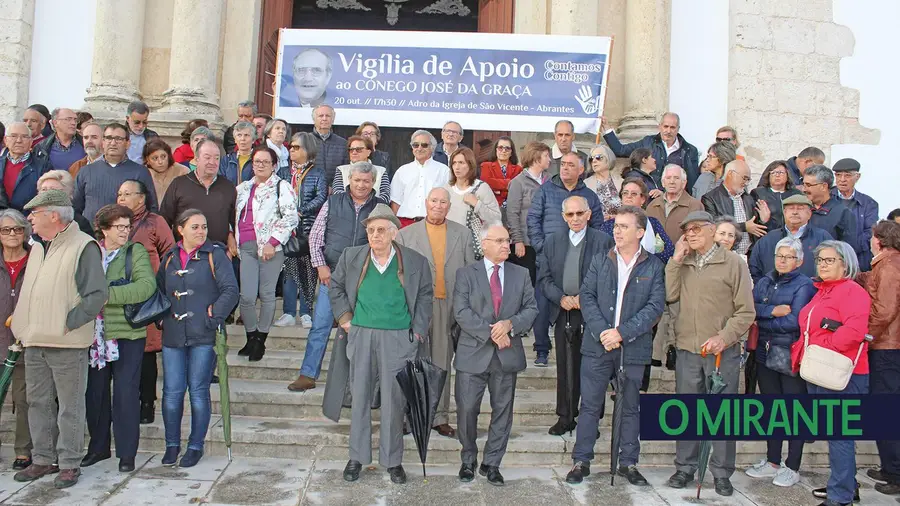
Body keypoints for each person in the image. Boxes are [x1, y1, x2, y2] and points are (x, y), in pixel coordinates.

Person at [331, 204, 433, 485]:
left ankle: (393, 461)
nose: (374, 235)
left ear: (393, 232)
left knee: (394, 400)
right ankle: (357, 457)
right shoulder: (352, 256)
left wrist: (418, 332)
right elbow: (336, 287)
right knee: (360, 394)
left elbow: (425, 296)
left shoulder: (414, 261)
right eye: (370, 229)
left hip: (398, 336)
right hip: (362, 333)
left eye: (380, 230)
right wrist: (345, 318)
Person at [12, 190, 107, 489]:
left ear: (54, 215)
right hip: (34, 341)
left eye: (35, 213)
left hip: (67, 343)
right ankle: (42, 459)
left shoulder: (84, 246)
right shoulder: (38, 247)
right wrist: (24, 327)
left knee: (70, 407)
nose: (30, 218)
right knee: (37, 402)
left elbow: (96, 295)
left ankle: (68, 464)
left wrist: (69, 323)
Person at [567, 205, 665, 485]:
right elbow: (587, 297)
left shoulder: (654, 266)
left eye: (624, 226)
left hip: (632, 348)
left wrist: (621, 333)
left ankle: (628, 462)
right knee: (589, 406)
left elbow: (654, 307)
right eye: (616, 225)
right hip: (597, 347)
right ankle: (581, 460)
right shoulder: (600, 260)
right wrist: (603, 333)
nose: (617, 230)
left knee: (631, 407)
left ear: (640, 232)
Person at [664, 210, 755, 497]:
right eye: (686, 230)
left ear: (712, 230)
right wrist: (675, 260)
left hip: (721, 352)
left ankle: (721, 472)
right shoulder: (684, 261)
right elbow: (669, 295)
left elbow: (746, 312)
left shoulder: (732, 263)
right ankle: (685, 467)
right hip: (688, 349)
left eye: (695, 229)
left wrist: (724, 337)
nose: (690, 234)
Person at [453, 223, 538, 486]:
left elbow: (531, 309)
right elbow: (461, 311)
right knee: (467, 410)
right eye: (499, 241)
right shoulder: (466, 274)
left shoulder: (521, 274)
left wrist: (509, 325)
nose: (506, 246)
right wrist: (492, 332)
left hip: (506, 356)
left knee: (503, 412)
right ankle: (468, 459)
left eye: (507, 241)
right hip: (473, 354)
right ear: (485, 244)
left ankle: (492, 463)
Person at [157, 209, 239, 469]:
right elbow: (159, 291)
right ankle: (172, 444)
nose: (201, 231)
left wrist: (214, 316)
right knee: (171, 392)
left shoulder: (215, 255)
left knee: (198, 391)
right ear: (180, 229)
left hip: (204, 333)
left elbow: (230, 290)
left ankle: (195, 446)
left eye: (203, 227)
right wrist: (161, 317)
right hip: (173, 334)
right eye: (195, 227)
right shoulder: (169, 258)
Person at [82, 204, 156, 473]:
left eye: (128, 226)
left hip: (127, 333)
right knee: (96, 394)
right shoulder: (90, 252)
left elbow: (146, 286)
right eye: (119, 227)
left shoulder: (134, 251)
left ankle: (127, 454)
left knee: (125, 394)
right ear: (104, 229)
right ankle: (99, 447)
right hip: (95, 336)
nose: (125, 231)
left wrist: (107, 296)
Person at [795, 241, 870, 506]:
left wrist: (821, 348)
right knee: (835, 435)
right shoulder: (823, 291)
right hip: (820, 371)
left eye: (830, 260)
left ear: (845, 264)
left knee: (840, 437)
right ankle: (845, 485)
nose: (823, 265)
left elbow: (854, 331)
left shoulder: (852, 291)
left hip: (841, 375)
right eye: (820, 260)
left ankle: (840, 498)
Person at [397, 187, 475, 438]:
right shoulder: (405, 235)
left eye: (443, 202)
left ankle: (439, 417)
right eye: (434, 201)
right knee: (414, 363)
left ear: (449, 206)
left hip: (448, 305)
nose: (438, 205)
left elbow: (470, 273)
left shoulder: (462, 234)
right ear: (425, 202)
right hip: (415, 306)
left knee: (441, 363)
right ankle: (411, 415)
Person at [293, 162, 378, 393]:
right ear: (350, 179)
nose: (361, 185)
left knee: (361, 330)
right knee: (320, 325)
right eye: (357, 180)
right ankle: (307, 374)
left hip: (365, 279)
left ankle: (357, 381)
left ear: (373, 183)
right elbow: (316, 237)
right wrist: (320, 266)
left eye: (366, 181)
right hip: (332, 277)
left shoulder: (380, 207)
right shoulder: (332, 202)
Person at [538, 196, 614, 435]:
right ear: (563, 217)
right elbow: (544, 277)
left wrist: (586, 298)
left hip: (593, 313)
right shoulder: (553, 241)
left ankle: (591, 419)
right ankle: (566, 416)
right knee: (565, 365)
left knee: (593, 368)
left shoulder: (603, 241)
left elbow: (609, 276)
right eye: (570, 215)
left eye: (579, 213)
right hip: (563, 311)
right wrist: (561, 298)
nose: (575, 219)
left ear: (589, 214)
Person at [745, 237, 816, 487]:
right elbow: (750, 308)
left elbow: (794, 321)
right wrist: (771, 311)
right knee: (771, 408)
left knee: (794, 410)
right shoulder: (765, 280)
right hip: (764, 352)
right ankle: (772, 460)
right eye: (779, 256)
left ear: (799, 260)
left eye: (788, 257)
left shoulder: (804, 285)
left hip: (789, 353)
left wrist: (762, 319)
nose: (782, 261)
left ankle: (792, 465)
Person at [527, 151, 603, 366]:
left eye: (571, 165)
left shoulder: (590, 196)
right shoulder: (545, 191)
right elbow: (533, 220)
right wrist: (543, 247)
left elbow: (597, 225)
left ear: (581, 170)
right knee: (542, 306)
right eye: (563, 164)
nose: (565, 168)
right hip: (548, 258)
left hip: (580, 259)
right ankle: (542, 348)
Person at [116, 180, 176, 424]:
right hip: (117, 297)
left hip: (146, 297)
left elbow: (170, 253)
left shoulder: (155, 222)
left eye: (128, 194)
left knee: (147, 351)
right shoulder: (112, 222)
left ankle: (147, 403)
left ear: (141, 199)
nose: (122, 198)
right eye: (120, 194)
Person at [235, 146, 298, 361]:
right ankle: (251, 336)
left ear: (274, 165)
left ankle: (261, 339)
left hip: (270, 248)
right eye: (256, 161)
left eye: (265, 161)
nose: (260, 165)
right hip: (246, 247)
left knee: (267, 293)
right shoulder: (243, 188)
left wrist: (273, 242)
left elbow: (290, 217)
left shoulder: (282, 186)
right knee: (247, 296)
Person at [859, 220, 900, 496]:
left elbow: (884, 310)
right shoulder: (885, 265)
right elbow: (872, 283)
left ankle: (896, 473)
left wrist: (866, 337)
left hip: (886, 348)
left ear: (879, 240)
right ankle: (889, 467)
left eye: (872, 236)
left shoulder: (889, 266)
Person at [275, 133, 326, 329]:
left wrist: (300, 211)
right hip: (287, 229)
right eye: (291, 147)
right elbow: (276, 194)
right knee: (289, 270)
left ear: (307, 150)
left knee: (308, 270)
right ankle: (288, 312)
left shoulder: (317, 173)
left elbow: (321, 197)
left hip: (309, 228)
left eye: (296, 147)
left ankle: (306, 313)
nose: (292, 150)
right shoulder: (283, 172)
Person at [0, 209, 35, 471]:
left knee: (24, 400)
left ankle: (23, 450)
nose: (12, 234)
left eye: (18, 229)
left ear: (25, 233)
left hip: (26, 342)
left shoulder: (36, 261)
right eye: (5, 230)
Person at [160, 140, 238, 252]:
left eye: (216, 158)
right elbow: (164, 220)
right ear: (196, 159)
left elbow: (233, 222)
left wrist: (230, 238)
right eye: (207, 157)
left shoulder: (228, 187)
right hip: (185, 253)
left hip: (218, 255)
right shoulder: (179, 184)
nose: (212, 162)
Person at [73, 122, 158, 223]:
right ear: (103, 142)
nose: (113, 143)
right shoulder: (86, 171)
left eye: (118, 139)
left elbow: (152, 209)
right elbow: (76, 209)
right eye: (109, 138)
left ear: (128, 144)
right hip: (91, 235)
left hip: (128, 234)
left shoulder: (140, 172)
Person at [602, 112, 701, 194]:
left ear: (678, 128)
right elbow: (621, 150)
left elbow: (692, 182)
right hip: (651, 200)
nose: (668, 131)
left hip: (676, 202)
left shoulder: (690, 150)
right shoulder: (648, 142)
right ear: (660, 127)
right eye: (665, 126)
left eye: (672, 127)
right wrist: (607, 129)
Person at [749, 194, 832, 282]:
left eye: (800, 208)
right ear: (784, 213)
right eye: (791, 208)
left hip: (813, 292)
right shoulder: (768, 240)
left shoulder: (822, 238)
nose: (795, 212)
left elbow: (833, 267)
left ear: (809, 214)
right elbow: (755, 268)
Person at [601, 178, 674, 264]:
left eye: (634, 194)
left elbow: (670, 249)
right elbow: (602, 253)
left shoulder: (653, 223)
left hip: (649, 272)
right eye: (625, 193)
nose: (628, 196)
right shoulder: (608, 225)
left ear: (642, 199)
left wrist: (647, 262)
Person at [701, 159, 766, 256]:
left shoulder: (748, 199)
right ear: (731, 174)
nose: (746, 183)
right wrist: (744, 226)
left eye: (748, 179)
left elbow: (753, 228)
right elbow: (714, 226)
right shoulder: (710, 198)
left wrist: (763, 220)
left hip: (747, 255)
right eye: (744, 178)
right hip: (722, 254)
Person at [507, 142, 550, 285]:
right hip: (526, 244)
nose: (549, 159)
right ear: (536, 158)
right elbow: (512, 213)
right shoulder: (518, 182)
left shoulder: (550, 181)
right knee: (526, 285)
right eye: (546, 156)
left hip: (546, 242)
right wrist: (518, 241)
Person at [391, 130, 451, 227]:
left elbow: (447, 201)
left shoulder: (444, 171)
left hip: (433, 224)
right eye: (415, 145)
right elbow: (395, 202)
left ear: (432, 148)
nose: (419, 148)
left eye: (424, 145)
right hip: (405, 223)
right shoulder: (402, 170)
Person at [831, 158, 878, 271]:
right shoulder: (826, 198)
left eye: (847, 175)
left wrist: (848, 251)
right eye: (838, 175)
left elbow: (869, 233)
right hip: (830, 257)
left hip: (858, 259)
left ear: (857, 177)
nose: (842, 180)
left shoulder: (869, 203)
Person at [802, 164, 860, 255]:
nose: (804, 189)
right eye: (803, 184)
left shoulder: (843, 213)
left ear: (824, 186)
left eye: (808, 185)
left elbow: (848, 250)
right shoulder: (801, 208)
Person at [444, 147, 501, 235]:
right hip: (450, 240)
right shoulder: (446, 189)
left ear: (470, 165)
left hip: (473, 243)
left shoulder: (482, 188)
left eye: (461, 163)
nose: (457, 167)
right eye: (454, 163)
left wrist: (477, 204)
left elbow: (495, 218)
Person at [646, 164, 704, 245]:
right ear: (663, 183)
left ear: (684, 183)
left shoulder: (695, 206)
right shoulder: (652, 206)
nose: (672, 182)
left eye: (676, 178)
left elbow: (699, 237)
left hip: (684, 256)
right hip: (655, 256)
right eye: (668, 178)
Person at [0, 122, 50, 212]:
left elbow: (46, 199)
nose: (19, 140)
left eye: (24, 137)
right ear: (5, 140)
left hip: (28, 220)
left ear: (31, 141)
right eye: (14, 136)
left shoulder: (43, 167)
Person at [331, 135, 390, 204]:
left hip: (374, 212)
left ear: (369, 152)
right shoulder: (341, 170)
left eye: (358, 149)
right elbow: (337, 194)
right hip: (345, 211)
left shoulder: (381, 171)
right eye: (351, 149)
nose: (354, 152)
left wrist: (366, 206)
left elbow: (385, 196)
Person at [751, 160, 802, 232]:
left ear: (788, 175)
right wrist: (765, 221)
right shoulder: (758, 193)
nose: (777, 175)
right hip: (767, 234)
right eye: (773, 172)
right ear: (768, 176)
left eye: (781, 172)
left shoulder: (796, 194)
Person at [37, 170, 93, 235]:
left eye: (53, 190)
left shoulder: (79, 223)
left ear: (68, 194)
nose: (47, 194)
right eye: (44, 190)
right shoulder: (33, 219)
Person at [310, 105, 348, 187]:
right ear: (314, 119)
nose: (324, 118)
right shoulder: (305, 140)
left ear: (333, 119)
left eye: (328, 116)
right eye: (321, 116)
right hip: (310, 190)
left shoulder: (343, 143)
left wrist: (333, 186)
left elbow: (345, 170)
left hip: (334, 192)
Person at [143, 138, 189, 206]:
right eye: (155, 158)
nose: (160, 162)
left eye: (163, 157)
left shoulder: (182, 171)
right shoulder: (143, 173)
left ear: (168, 155)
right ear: (147, 160)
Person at [479, 136, 522, 209]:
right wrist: (509, 182)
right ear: (496, 150)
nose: (504, 150)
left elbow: (517, 190)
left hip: (512, 210)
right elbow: (487, 183)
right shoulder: (486, 166)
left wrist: (500, 192)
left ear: (511, 152)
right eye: (500, 147)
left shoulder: (518, 169)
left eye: (507, 148)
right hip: (491, 209)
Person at [583, 144, 621, 218]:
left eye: (598, 157)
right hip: (596, 227)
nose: (594, 161)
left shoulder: (621, 182)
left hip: (619, 226)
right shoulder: (585, 184)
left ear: (608, 158)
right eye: (591, 158)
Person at [219, 121, 255, 185]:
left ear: (253, 140)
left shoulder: (258, 159)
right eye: (239, 135)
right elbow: (221, 183)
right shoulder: (226, 160)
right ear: (235, 139)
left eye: (246, 135)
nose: (242, 139)